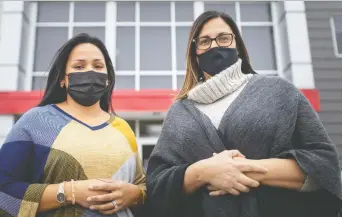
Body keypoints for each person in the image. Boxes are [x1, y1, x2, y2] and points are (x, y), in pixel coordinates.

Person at [146, 11, 342, 217]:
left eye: (223, 38)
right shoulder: (179, 112)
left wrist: (242, 168)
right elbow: (157, 184)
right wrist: (203, 172)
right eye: (204, 41)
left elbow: (323, 165)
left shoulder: (280, 92)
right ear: (194, 51)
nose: (214, 46)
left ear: (237, 45)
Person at [0, 33, 146, 217]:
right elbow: (3, 188)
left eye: (98, 66)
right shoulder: (36, 120)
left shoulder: (123, 128)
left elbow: (143, 186)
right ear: (63, 78)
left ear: (107, 79)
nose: (90, 72)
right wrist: (68, 192)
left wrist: (134, 194)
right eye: (79, 66)